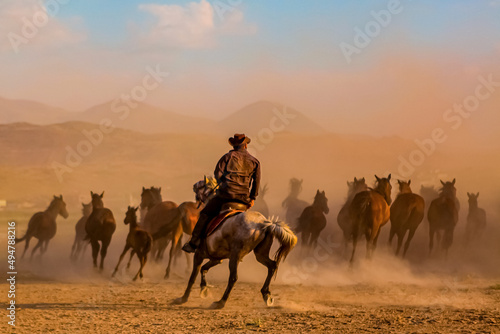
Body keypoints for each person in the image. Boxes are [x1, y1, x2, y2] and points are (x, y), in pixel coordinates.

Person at [182, 133, 261, 253]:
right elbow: (256, 182)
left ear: (234, 146)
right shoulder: (255, 162)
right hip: (243, 199)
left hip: (225, 196)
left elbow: (217, 175)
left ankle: (193, 243)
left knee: (205, 213)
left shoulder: (227, 157)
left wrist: (224, 181)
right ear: (245, 146)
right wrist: (252, 198)